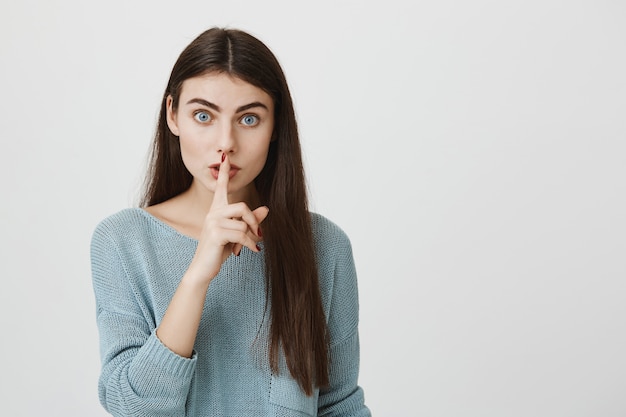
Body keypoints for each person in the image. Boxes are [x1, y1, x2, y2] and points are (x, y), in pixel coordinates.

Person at [90, 27, 370, 416]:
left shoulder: (325, 245)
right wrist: (197, 276)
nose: (226, 142)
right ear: (173, 115)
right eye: (203, 115)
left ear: (276, 126)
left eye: (249, 119)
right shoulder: (123, 241)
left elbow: (339, 406)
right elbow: (133, 408)